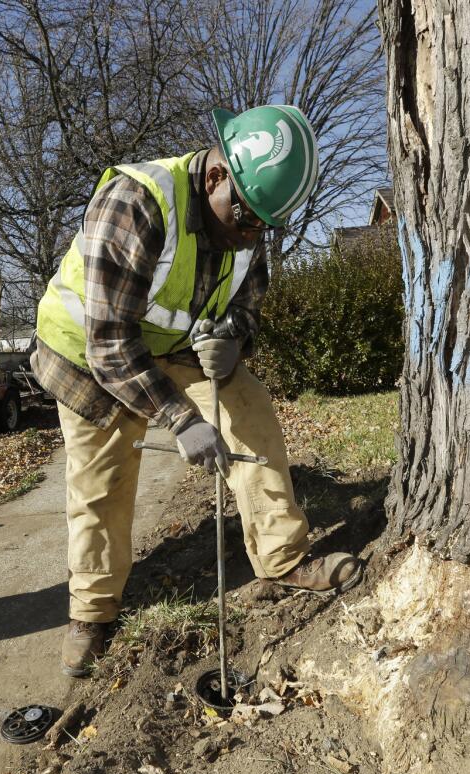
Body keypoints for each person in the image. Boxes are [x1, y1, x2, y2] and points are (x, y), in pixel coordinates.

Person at [32, 105, 365, 677]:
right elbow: (109, 344)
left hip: (170, 344)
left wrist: (235, 341)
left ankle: (283, 558)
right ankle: (92, 612)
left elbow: (247, 306)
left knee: (249, 408)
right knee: (101, 478)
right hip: (89, 350)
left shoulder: (247, 219)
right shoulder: (136, 204)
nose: (248, 235)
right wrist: (180, 419)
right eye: (243, 219)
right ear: (216, 177)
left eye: (262, 225)